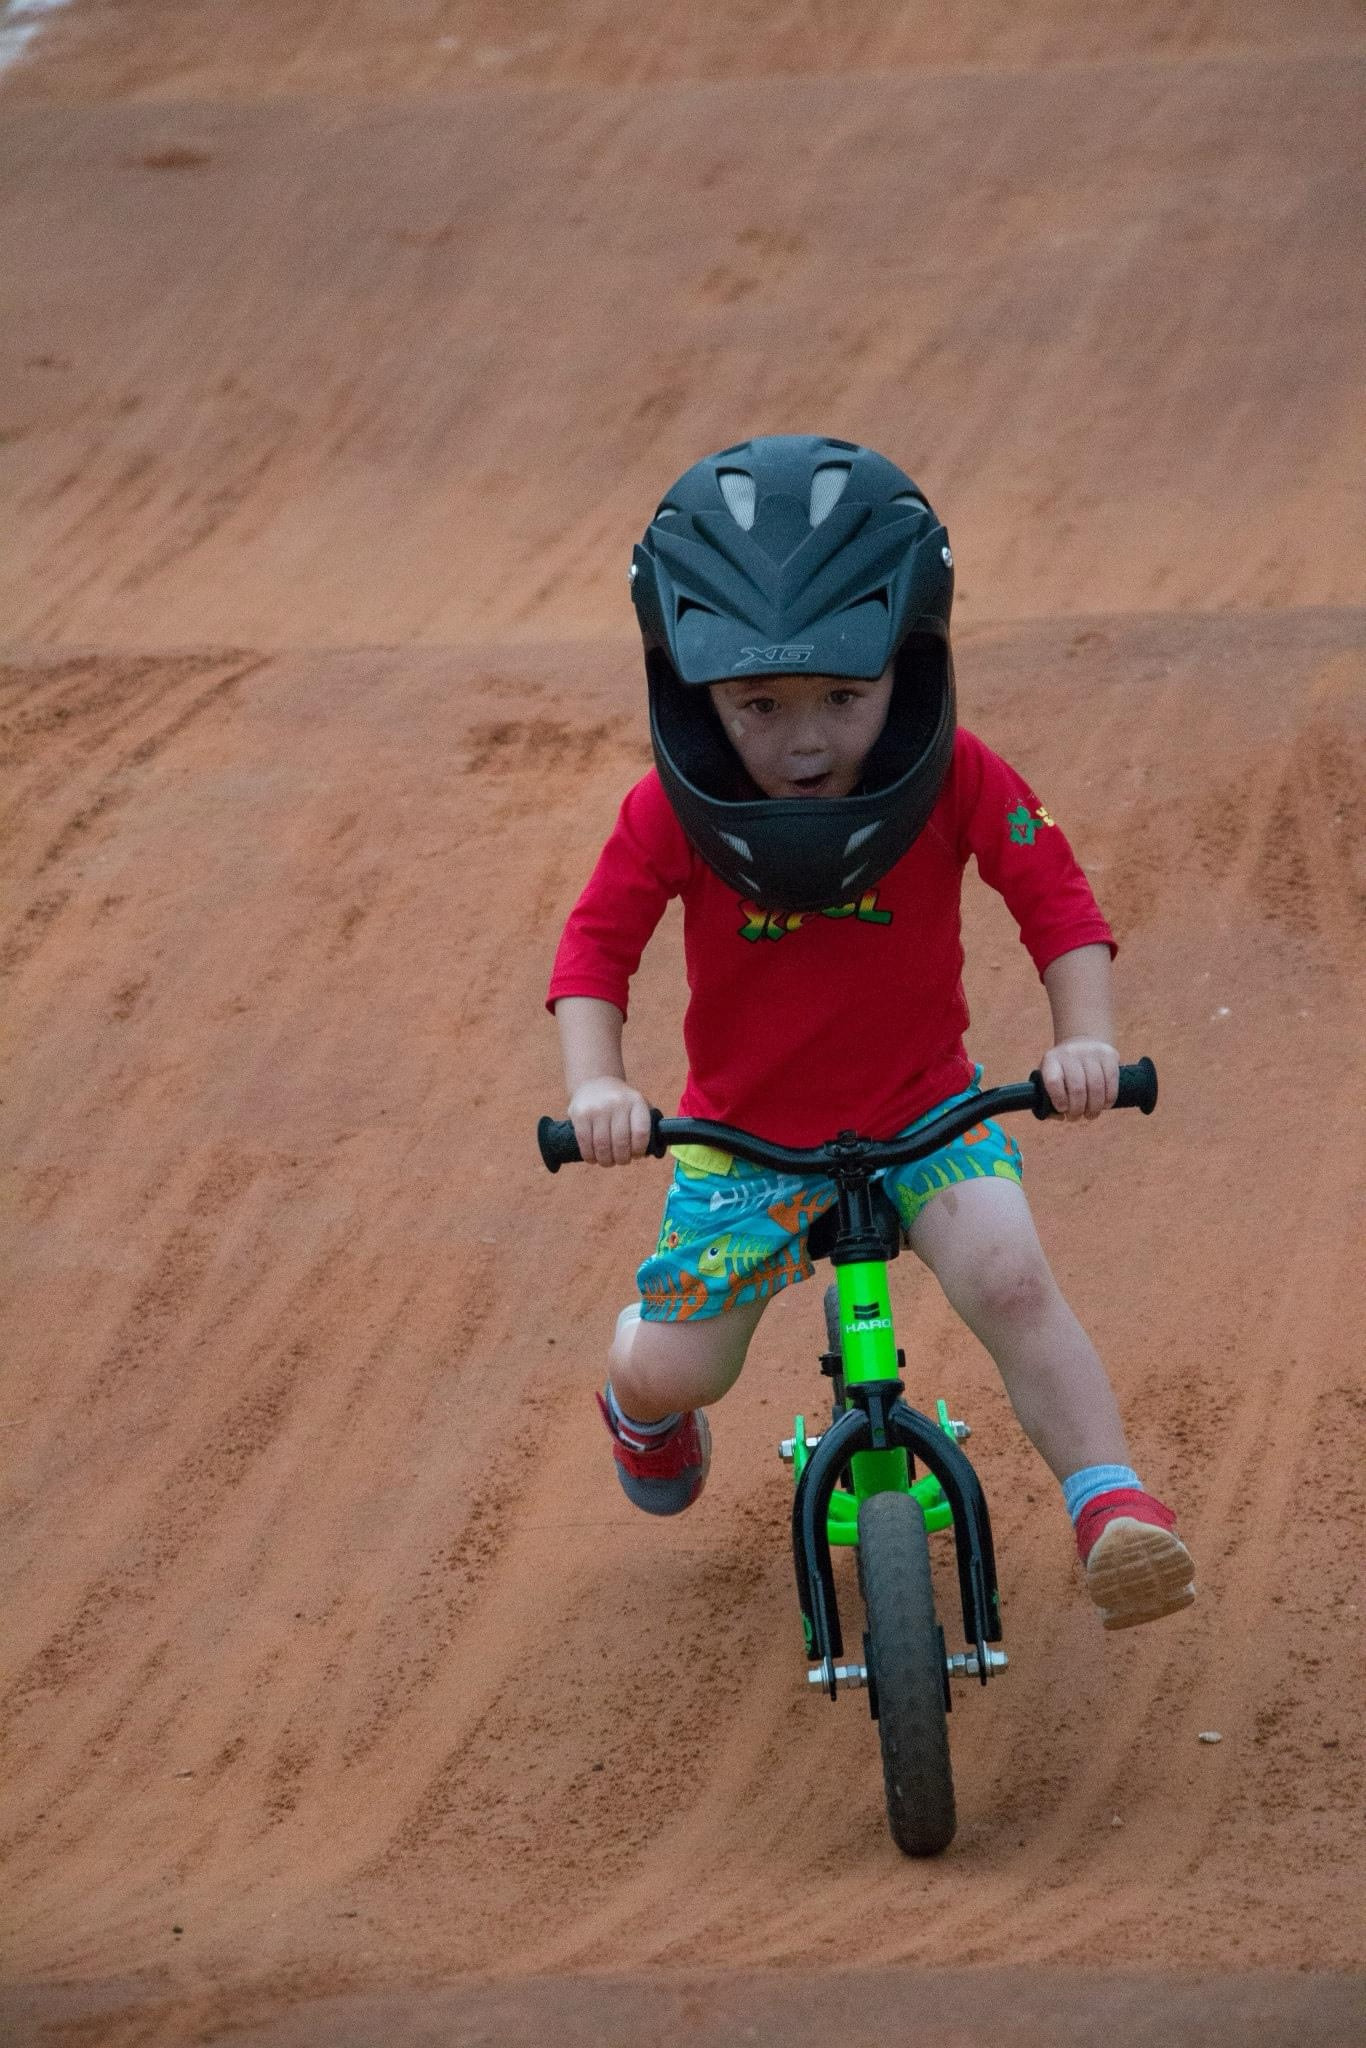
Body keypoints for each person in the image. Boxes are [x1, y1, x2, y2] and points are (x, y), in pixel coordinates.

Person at [546, 435, 1194, 1631]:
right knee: (682, 1364)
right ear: (696, 693)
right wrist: (600, 1089)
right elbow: (593, 953)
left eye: (845, 697)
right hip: (742, 1145)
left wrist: (1081, 1041)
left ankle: (1114, 1507)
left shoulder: (953, 775)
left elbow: (1057, 903)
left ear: (909, 664)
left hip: (925, 1114)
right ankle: (639, 1403)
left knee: (1009, 1275)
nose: (804, 742)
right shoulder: (666, 812)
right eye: (759, 706)